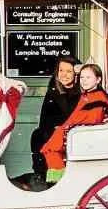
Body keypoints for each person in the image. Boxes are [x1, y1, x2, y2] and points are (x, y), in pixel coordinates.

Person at [39, 62, 108, 181]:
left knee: (50, 150)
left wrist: (65, 129)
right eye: (82, 77)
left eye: (88, 77)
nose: (84, 81)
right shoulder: (88, 95)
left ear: (98, 79)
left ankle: (60, 181)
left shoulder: (97, 99)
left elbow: (91, 121)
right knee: (48, 146)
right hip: (75, 133)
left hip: (82, 136)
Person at [29, 56, 80, 189]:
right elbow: (44, 116)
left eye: (69, 71)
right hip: (53, 130)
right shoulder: (54, 89)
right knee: (38, 135)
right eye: (61, 70)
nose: (64, 75)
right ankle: (41, 174)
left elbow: (73, 115)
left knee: (45, 137)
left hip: (72, 131)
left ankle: (54, 178)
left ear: (76, 73)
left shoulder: (80, 90)